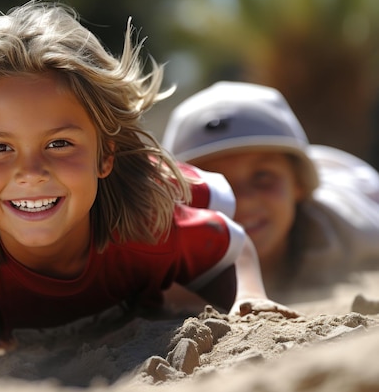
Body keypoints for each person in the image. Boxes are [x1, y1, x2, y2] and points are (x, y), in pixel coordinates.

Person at [0, 0, 294, 383]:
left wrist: (249, 297)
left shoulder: (147, 221)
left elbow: (232, 246)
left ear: (104, 155)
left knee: (215, 203)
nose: (30, 171)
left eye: (58, 143)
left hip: (159, 187)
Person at [162, 81, 379, 299]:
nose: (244, 201)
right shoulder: (158, 258)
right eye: (215, 185)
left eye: (263, 176)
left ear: (299, 185)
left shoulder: (349, 230)